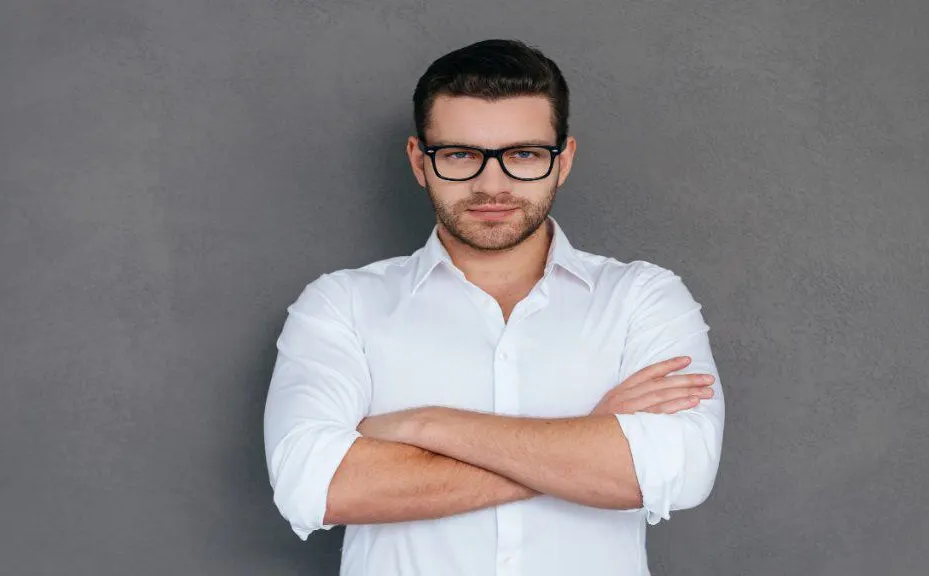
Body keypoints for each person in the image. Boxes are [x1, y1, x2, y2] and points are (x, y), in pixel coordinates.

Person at [262, 38, 725, 576]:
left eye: (523, 154)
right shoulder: (341, 304)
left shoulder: (644, 298)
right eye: (460, 155)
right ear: (419, 160)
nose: (492, 184)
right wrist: (585, 441)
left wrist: (422, 424)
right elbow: (313, 486)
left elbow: (679, 471)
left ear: (564, 160)